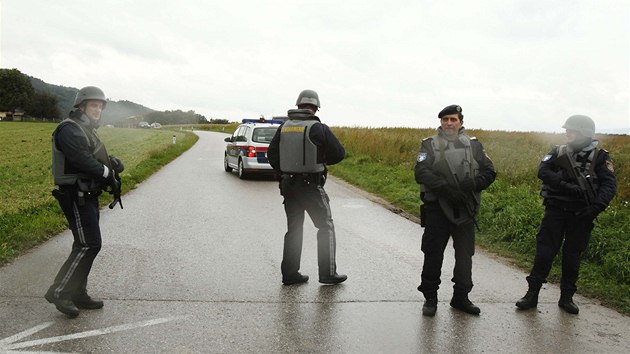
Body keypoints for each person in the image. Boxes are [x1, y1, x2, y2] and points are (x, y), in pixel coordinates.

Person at [515, 115, 616, 314]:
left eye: (571, 130)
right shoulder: (558, 151)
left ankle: (567, 297)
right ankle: (532, 294)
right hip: (555, 211)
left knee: (572, 256)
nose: (567, 133)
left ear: (584, 133)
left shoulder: (600, 157)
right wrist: (565, 185)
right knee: (544, 253)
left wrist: (596, 207)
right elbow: (543, 171)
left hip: (581, 214)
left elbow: (609, 185)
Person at [45, 86, 124, 318]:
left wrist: (112, 164)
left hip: (87, 195)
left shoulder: (86, 130)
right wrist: (106, 173)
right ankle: (60, 291)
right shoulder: (69, 129)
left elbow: (94, 155)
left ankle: (78, 292)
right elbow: (81, 159)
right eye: (93, 105)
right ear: (81, 106)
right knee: (88, 244)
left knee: (85, 244)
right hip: (75, 195)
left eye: (100, 106)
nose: (98, 109)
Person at [414, 104, 496, 316]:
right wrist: (447, 190)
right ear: (440, 122)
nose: (449, 123)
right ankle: (430, 298)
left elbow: (489, 172)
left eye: (453, 119)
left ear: (461, 122)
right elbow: (421, 172)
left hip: (465, 209)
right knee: (433, 254)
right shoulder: (429, 145)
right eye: (445, 120)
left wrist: (474, 184)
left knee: (464, 255)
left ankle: (461, 297)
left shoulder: (474, 146)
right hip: (437, 209)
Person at [267, 89, 347, 285]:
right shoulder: (319, 128)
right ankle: (327, 274)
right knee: (325, 226)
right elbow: (339, 153)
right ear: (316, 107)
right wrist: (320, 159)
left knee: (294, 229)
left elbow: (271, 154)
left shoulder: (283, 127)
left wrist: (284, 171)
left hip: (288, 185)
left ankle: (290, 274)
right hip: (311, 186)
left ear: (298, 106)